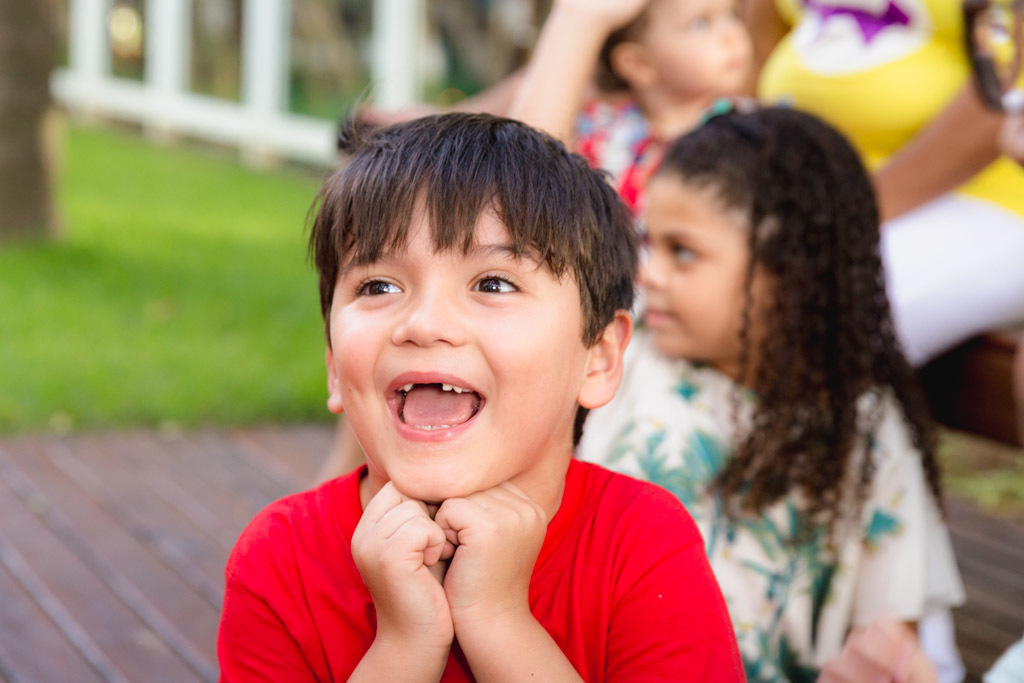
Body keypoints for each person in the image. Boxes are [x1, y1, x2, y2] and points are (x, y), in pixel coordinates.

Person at [217, 113, 746, 681]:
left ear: (598, 356)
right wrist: (405, 643)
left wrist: (498, 621)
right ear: (334, 367)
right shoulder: (280, 560)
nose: (424, 323)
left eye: (493, 283)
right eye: (378, 286)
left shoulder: (643, 547)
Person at [575, 105, 964, 681]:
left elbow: (887, 642)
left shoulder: (864, 433)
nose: (649, 274)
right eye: (649, 244)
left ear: (789, 271)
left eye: (683, 251)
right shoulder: (623, 356)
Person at [744, 0, 1024, 368]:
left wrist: (846, 211)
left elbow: (1003, 89)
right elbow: (759, 34)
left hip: (984, 193)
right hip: (807, 188)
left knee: (804, 311)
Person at [511, 0, 753, 216]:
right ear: (638, 64)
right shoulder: (600, 132)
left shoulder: (752, 130)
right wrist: (580, 15)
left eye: (731, 14)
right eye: (701, 24)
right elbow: (528, 172)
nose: (731, 35)